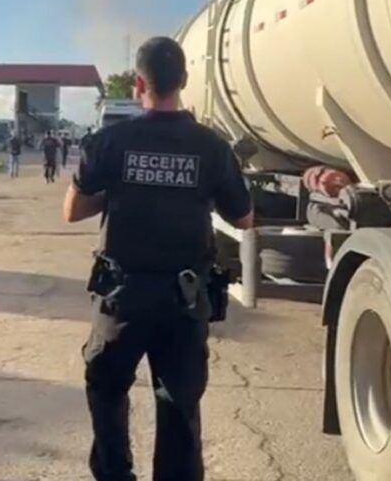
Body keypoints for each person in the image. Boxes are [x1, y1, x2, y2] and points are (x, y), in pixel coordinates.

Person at [63, 37, 254, 481]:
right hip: (183, 300)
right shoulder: (212, 147)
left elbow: (72, 210)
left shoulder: (109, 143)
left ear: (137, 84)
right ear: (184, 81)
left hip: (121, 298)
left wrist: (123, 190)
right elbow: (243, 218)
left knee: (108, 391)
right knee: (178, 404)